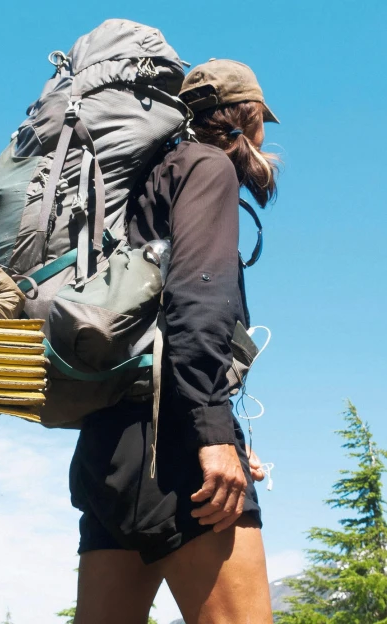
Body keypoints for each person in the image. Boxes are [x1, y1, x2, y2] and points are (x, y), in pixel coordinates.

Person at [68, 59, 280, 624]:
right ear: (246, 117)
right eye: (262, 122)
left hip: (109, 448)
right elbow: (198, 302)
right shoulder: (208, 168)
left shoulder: (146, 182)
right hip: (174, 445)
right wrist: (211, 433)